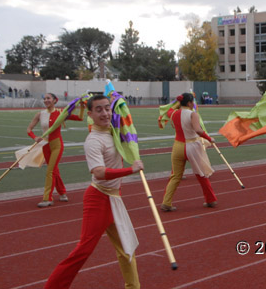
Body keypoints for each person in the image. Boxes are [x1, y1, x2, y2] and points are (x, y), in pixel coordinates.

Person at [44, 94, 143, 289]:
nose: (105, 113)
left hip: (114, 199)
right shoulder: (93, 140)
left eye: (107, 108)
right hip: (99, 198)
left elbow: (125, 123)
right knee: (83, 250)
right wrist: (130, 169)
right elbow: (98, 172)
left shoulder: (112, 132)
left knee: (126, 249)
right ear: (90, 114)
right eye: (99, 110)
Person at [161, 92, 217, 211]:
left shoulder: (173, 113)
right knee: (202, 174)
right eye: (192, 102)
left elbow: (170, 109)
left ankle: (166, 202)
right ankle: (210, 200)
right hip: (192, 145)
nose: (194, 104)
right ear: (189, 102)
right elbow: (198, 130)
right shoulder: (193, 114)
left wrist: (178, 104)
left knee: (175, 176)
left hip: (177, 146)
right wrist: (209, 138)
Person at [27, 93, 84, 207]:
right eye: (45, 98)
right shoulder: (40, 114)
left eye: (48, 98)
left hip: (57, 144)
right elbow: (29, 129)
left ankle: (47, 198)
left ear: (55, 100)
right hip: (45, 146)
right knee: (54, 170)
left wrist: (82, 107)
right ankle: (62, 193)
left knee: (50, 171)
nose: (46, 100)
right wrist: (35, 137)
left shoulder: (61, 113)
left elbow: (79, 118)